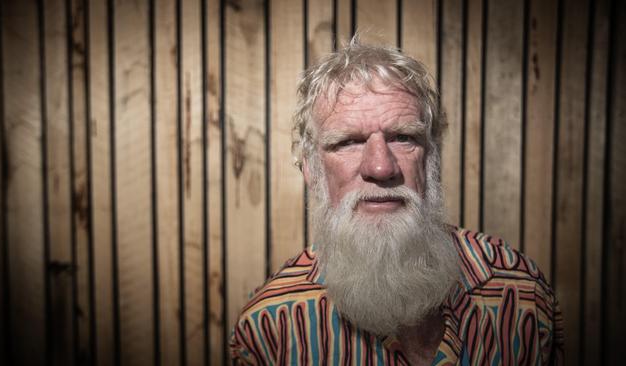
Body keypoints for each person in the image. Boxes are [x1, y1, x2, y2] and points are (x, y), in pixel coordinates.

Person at [229, 38, 564, 365]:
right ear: (311, 169)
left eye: (403, 137)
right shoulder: (269, 329)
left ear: (431, 157)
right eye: (347, 142)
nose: (381, 167)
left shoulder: (523, 293)